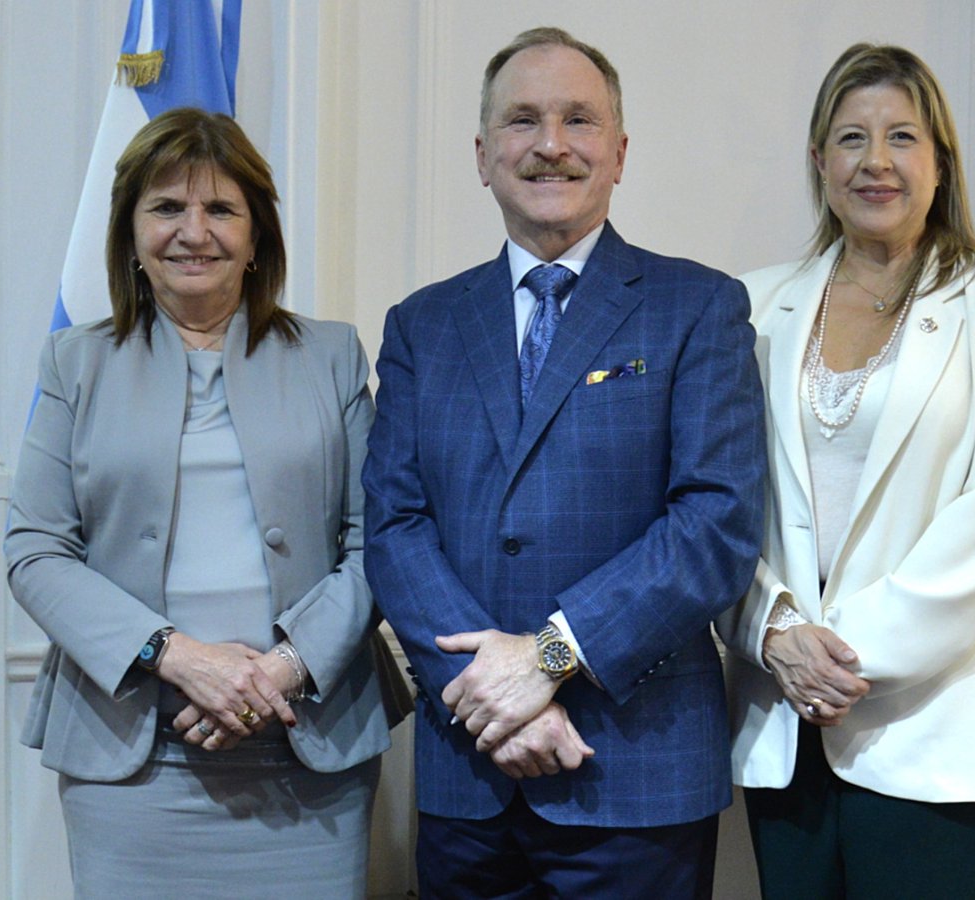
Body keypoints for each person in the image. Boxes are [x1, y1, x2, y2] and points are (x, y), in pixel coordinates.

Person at [362, 26, 766, 898]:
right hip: (469, 769)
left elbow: (716, 524)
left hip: (634, 775)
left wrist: (546, 659)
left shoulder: (699, 306)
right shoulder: (421, 326)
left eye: (579, 120)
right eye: (522, 121)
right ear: (482, 155)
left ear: (620, 152)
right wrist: (486, 693)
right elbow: (393, 525)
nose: (551, 144)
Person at [5, 108, 395, 899]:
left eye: (221, 209)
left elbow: (379, 541)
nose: (194, 232)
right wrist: (177, 655)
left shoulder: (329, 355)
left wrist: (283, 669)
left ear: (257, 239)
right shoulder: (75, 362)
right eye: (167, 207)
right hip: (131, 758)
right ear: (130, 233)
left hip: (306, 746)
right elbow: (35, 548)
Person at [717, 43, 975, 898]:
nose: (876, 162)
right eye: (851, 138)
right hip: (784, 726)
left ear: (940, 164)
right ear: (818, 163)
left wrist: (838, 657)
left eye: (902, 137)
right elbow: (718, 504)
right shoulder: (752, 303)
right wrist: (773, 635)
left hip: (941, 733)